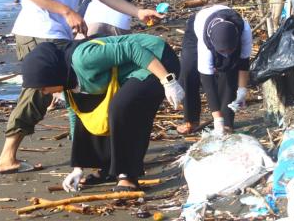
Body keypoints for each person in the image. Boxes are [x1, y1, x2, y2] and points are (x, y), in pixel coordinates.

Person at [0, 0, 163, 174]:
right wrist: (67, 12)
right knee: (39, 93)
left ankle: (87, 155)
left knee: (72, 88)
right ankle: (7, 156)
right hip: (36, 30)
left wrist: (137, 11)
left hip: (60, 32)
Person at [20, 34, 184, 191]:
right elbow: (77, 117)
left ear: (52, 74)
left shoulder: (84, 59)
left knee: (122, 107)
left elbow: (133, 50)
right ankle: (107, 168)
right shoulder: (66, 81)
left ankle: (127, 175)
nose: (44, 92)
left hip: (155, 58)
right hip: (127, 72)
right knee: (89, 112)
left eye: (43, 87)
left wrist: (167, 81)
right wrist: (78, 168)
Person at [176, 4, 253, 136]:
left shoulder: (244, 31)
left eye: (230, 50)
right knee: (188, 70)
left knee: (229, 71)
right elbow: (207, 80)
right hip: (198, 27)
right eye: (222, 51)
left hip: (227, 32)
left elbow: (243, 63)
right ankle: (191, 119)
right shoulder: (205, 42)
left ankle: (227, 122)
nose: (226, 53)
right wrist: (217, 118)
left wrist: (242, 90)